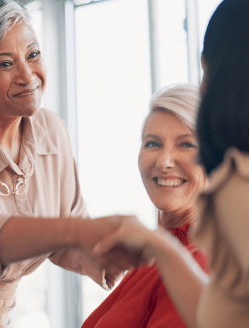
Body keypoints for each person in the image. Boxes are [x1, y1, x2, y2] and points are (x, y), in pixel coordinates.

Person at [95, 0, 249, 327]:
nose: (165, 161)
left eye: (208, 73)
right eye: (151, 143)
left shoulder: (246, 193)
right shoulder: (163, 255)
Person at [0, 1, 139, 327]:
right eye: (5, 63)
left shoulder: (51, 130)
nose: (27, 76)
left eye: (33, 55)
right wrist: (81, 232)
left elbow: (68, 235)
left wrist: (105, 256)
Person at [82, 83, 208, 328]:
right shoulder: (152, 257)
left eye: (186, 144)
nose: (164, 162)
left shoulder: (201, 264)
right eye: (152, 144)